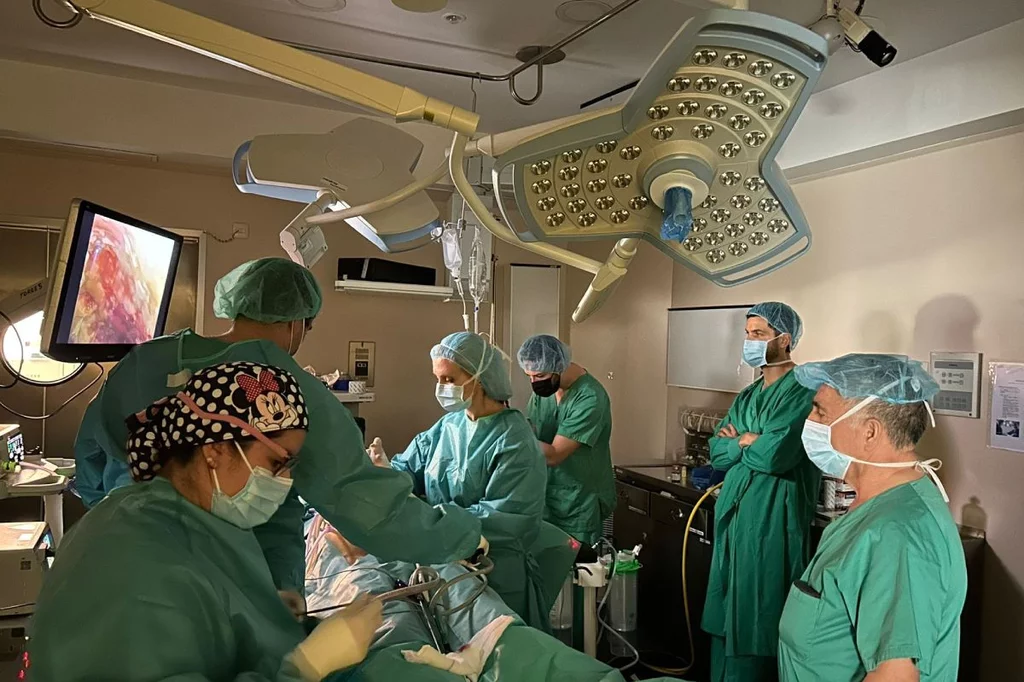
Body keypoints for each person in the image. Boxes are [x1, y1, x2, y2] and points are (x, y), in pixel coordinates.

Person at [74, 257, 484, 606]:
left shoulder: (145, 360)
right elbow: (362, 500)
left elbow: (91, 460)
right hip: (244, 581)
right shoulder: (278, 387)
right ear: (297, 324)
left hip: (125, 558)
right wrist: (462, 536)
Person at [31, 362, 384, 681]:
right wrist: (306, 666)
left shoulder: (200, 520)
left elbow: (203, 611)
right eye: (277, 463)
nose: (285, 481)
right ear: (215, 449)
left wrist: (259, 618)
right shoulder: (133, 560)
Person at [778, 354, 967, 682]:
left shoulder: (897, 534)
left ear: (869, 433)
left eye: (820, 410)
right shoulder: (876, 509)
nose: (808, 420)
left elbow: (895, 676)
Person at [366, 332, 550, 629]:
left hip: (492, 578)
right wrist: (384, 472)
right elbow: (408, 468)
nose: (441, 388)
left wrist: (430, 520)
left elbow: (505, 519)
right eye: (437, 379)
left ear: (479, 378)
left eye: (449, 380)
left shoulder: (515, 440)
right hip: (444, 567)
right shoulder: (448, 425)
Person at [702, 302, 820, 682]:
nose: (750, 341)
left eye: (759, 335)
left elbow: (777, 456)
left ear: (784, 340)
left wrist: (746, 442)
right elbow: (716, 451)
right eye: (748, 334)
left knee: (759, 613)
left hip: (773, 517)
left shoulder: (804, 391)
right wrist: (745, 443)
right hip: (735, 515)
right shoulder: (749, 394)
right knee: (727, 608)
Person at [517, 334, 614, 547]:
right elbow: (533, 429)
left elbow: (554, 455)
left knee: (578, 574)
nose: (534, 382)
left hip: (578, 504)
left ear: (558, 366)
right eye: (529, 376)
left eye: (540, 375)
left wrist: (512, 435)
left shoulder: (590, 398)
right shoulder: (545, 392)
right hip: (547, 500)